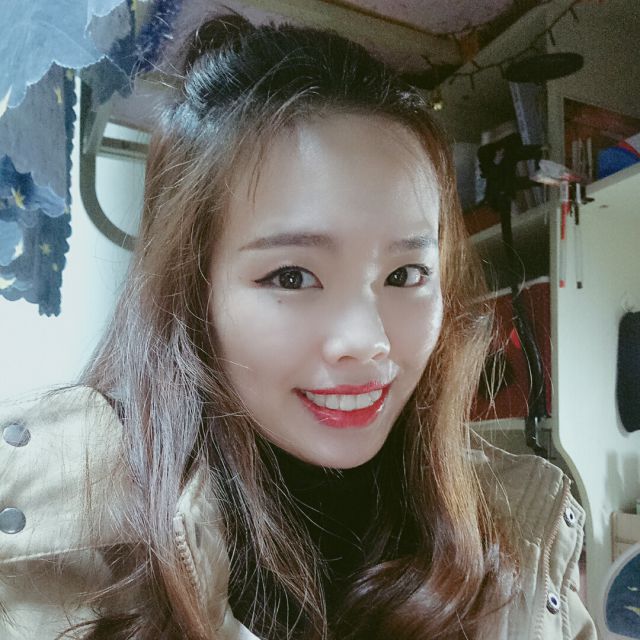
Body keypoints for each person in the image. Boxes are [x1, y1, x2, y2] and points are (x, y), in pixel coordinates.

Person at [0, 15, 596, 640]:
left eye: (405, 275)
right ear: (194, 289)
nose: (368, 342)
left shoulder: (520, 537)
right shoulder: (45, 547)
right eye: (291, 276)